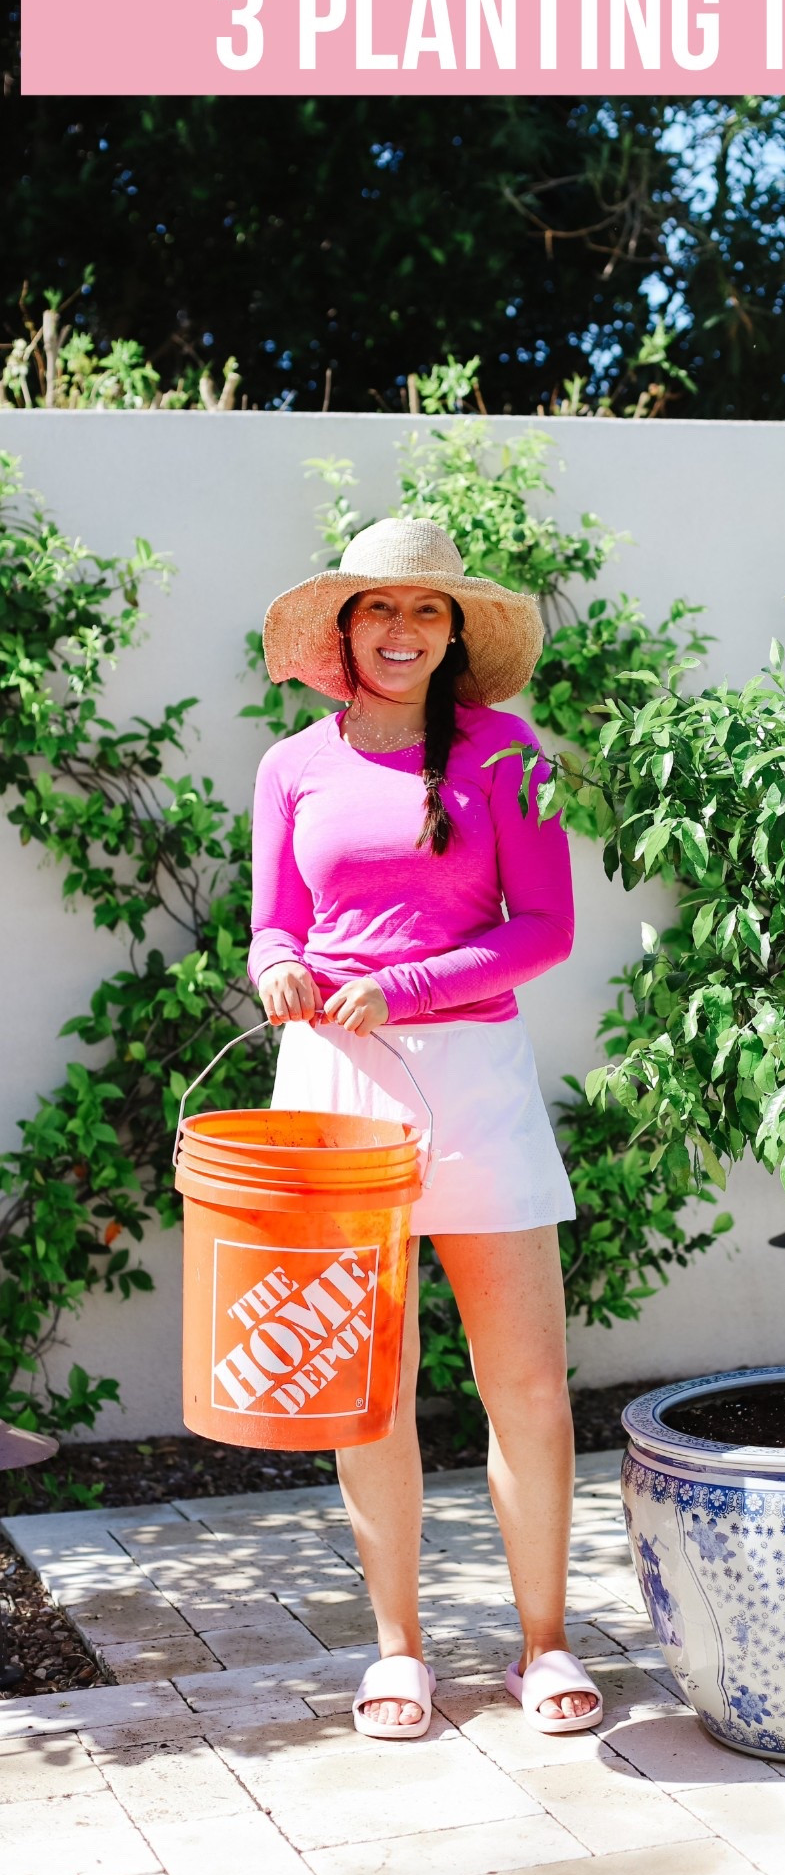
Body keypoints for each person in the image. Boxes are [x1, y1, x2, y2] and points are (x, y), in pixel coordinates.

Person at [250, 516, 602, 1741]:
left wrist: (403, 986)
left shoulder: (508, 753)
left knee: (529, 1386)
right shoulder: (291, 765)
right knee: (366, 1389)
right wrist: (278, 964)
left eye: (427, 609)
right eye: (380, 608)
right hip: (332, 1089)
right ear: (345, 629)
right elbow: (273, 921)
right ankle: (398, 1649)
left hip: (474, 1083)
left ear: (454, 633)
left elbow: (545, 927)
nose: (402, 630)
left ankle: (545, 1641)